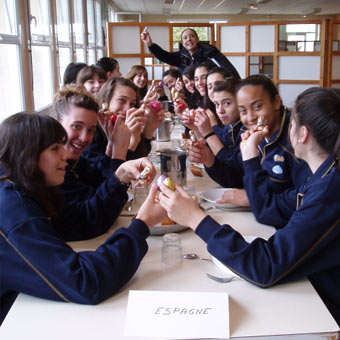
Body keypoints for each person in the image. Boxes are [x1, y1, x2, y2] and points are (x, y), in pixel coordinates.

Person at [157, 87, 340, 326]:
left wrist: (196, 219)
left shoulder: (329, 190)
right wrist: (249, 153)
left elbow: (265, 267)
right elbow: (268, 209)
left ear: (302, 134)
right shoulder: (321, 177)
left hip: (323, 308)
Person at [0, 112, 166, 326]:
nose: (66, 156)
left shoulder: (22, 187)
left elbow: (81, 222)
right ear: (27, 155)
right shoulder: (16, 212)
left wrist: (120, 178)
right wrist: (141, 224)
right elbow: (86, 282)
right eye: (54, 149)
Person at [189, 75, 309, 206]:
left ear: (276, 102)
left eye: (257, 107)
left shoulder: (297, 140)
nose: (251, 117)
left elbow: (304, 201)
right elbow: (235, 178)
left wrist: (253, 198)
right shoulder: (256, 134)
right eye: (243, 111)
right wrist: (209, 160)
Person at [81, 77, 164, 169]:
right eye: (122, 100)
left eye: (132, 104)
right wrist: (131, 145)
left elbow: (138, 159)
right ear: (105, 101)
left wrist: (148, 129)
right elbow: (110, 175)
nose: (128, 108)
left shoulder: (122, 124)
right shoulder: (92, 129)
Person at [141, 27, 240, 78]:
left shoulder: (210, 53)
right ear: (183, 43)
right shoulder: (182, 56)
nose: (189, 39)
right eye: (185, 38)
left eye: (192, 36)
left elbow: (228, 70)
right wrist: (150, 44)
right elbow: (164, 56)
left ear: (197, 39)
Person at [194, 79, 243, 160]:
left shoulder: (245, 129)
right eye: (217, 104)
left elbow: (229, 162)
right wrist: (195, 127)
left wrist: (210, 131)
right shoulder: (229, 126)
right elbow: (213, 150)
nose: (220, 111)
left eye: (227, 103)